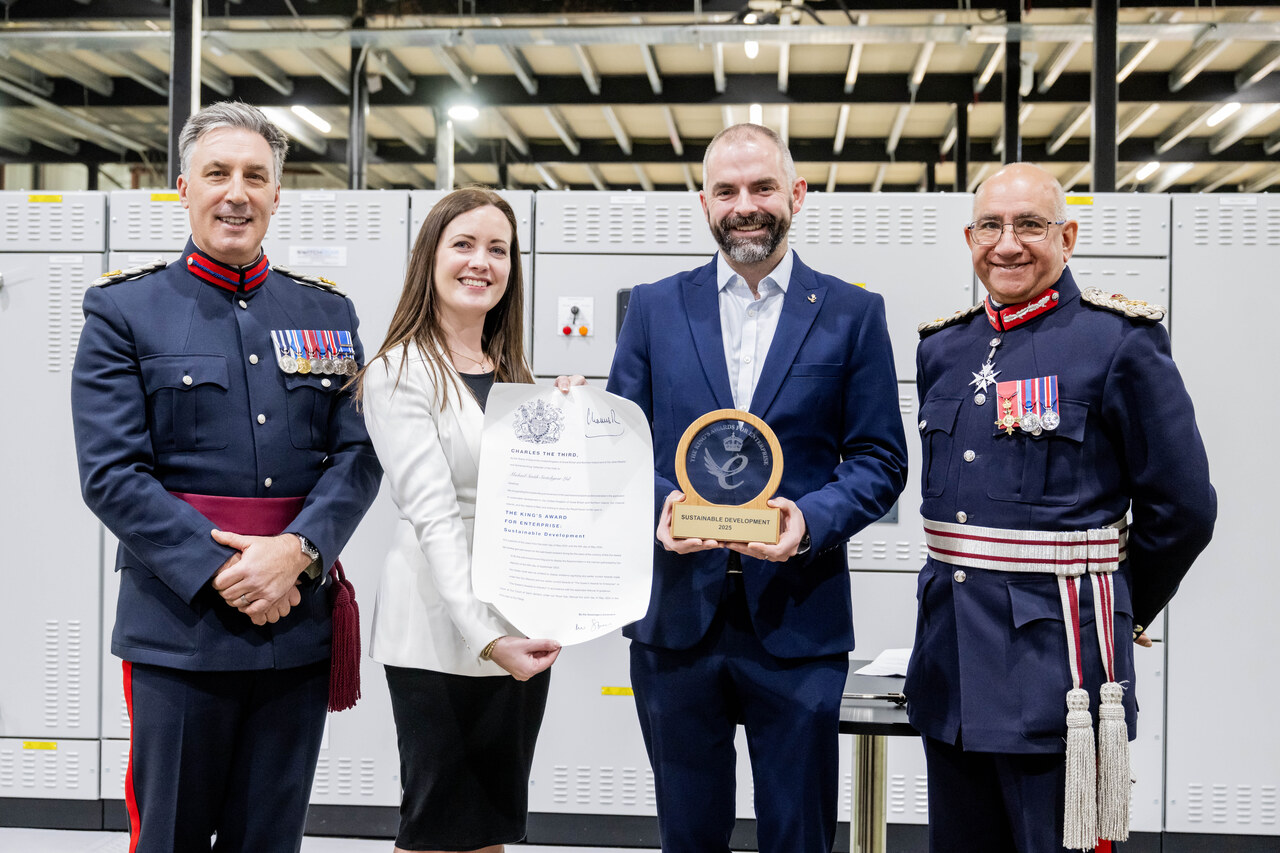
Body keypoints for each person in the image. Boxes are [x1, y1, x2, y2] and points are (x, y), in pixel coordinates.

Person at [71, 102, 382, 853]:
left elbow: (359, 453)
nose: (236, 192)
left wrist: (297, 552)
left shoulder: (326, 312)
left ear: (278, 194)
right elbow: (111, 473)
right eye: (217, 173)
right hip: (181, 630)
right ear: (183, 187)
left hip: (297, 626)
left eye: (255, 176)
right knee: (170, 834)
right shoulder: (124, 311)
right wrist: (231, 570)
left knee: (269, 840)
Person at [606, 123, 909, 853]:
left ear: (796, 195)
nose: (746, 205)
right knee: (688, 833)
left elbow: (879, 457)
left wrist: (809, 518)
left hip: (799, 625)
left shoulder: (851, 314)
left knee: (798, 835)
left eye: (762, 187)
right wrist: (663, 507)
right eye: (727, 190)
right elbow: (618, 444)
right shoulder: (652, 308)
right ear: (703, 202)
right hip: (677, 622)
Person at [906, 163, 1217, 853]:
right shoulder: (943, 347)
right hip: (950, 664)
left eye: (1030, 225)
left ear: (1068, 237)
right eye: (991, 225)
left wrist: (1123, 601)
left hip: (1058, 672)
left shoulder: (1118, 342)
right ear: (969, 236)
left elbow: (1185, 506)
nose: (1008, 243)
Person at [357, 187, 582, 853]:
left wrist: (572, 425)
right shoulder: (401, 370)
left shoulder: (511, 374)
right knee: (437, 827)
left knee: (489, 823)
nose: (481, 261)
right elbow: (434, 518)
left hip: (514, 625)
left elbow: (539, 504)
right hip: (440, 632)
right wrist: (486, 637)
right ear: (430, 257)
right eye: (464, 244)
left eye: (498, 249)